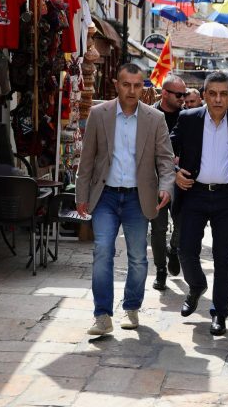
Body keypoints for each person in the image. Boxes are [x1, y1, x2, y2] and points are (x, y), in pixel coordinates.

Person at [76, 63, 175, 336]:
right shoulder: (99, 114)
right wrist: (81, 195)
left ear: (143, 87)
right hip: (105, 196)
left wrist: (166, 187)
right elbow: (87, 159)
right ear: (116, 85)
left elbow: (165, 160)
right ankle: (102, 315)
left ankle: (131, 307)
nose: (132, 90)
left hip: (137, 198)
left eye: (137, 85)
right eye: (126, 84)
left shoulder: (155, 119)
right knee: (102, 251)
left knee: (138, 257)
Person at [170, 71, 228, 336]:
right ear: (204, 95)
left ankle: (220, 312)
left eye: (223, 94)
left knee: (224, 256)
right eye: (213, 94)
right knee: (185, 250)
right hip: (193, 193)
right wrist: (175, 173)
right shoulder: (188, 119)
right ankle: (196, 285)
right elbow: (166, 150)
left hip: (227, 196)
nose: (218, 99)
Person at [150, 74, 187, 290]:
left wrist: (183, 159)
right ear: (164, 93)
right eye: (178, 94)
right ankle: (160, 270)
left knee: (183, 224)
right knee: (158, 228)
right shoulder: (149, 115)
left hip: (181, 180)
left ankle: (174, 249)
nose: (182, 98)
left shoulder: (187, 117)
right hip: (155, 179)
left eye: (184, 94)